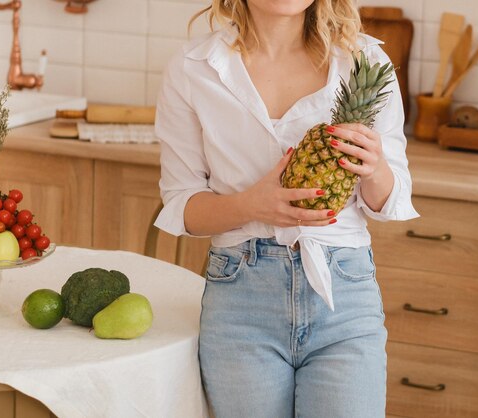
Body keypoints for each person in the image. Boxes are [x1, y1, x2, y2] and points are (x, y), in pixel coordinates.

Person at [154, 0, 419, 417]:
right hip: (241, 301)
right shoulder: (194, 68)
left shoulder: (363, 60)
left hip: (343, 295)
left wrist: (375, 168)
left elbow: (392, 199)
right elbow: (182, 206)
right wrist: (250, 206)